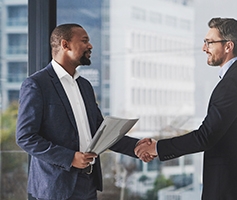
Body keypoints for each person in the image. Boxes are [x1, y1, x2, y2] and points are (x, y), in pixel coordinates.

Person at [135, 17, 237, 200]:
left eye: (209, 42)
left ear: (228, 46)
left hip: (231, 190)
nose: (204, 48)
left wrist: (157, 148)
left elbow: (205, 137)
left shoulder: (232, 84)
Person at [16, 23, 147, 200]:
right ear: (65, 45)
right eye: (84, 41)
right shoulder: (37, 84)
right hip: (55, 188)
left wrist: (136, 146)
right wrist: (70, 158)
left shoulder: (84, 85)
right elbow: (25, 137)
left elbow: (100, 132)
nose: (90, 46)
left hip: (88, 183)